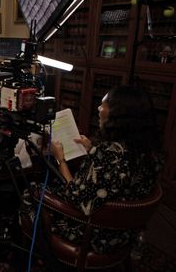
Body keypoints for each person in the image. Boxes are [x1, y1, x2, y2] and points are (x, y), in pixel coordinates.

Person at [22, 85, 162, 253]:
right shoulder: (151, 153)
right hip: (125, 233)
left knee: (32, 191)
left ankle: (34, 252)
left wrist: (61, 159)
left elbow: (77, 199)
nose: (98, 108)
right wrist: (91, 149)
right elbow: (116, 176)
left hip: (94, 234)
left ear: (117, 114)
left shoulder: (109, 153)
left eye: (103, 105)